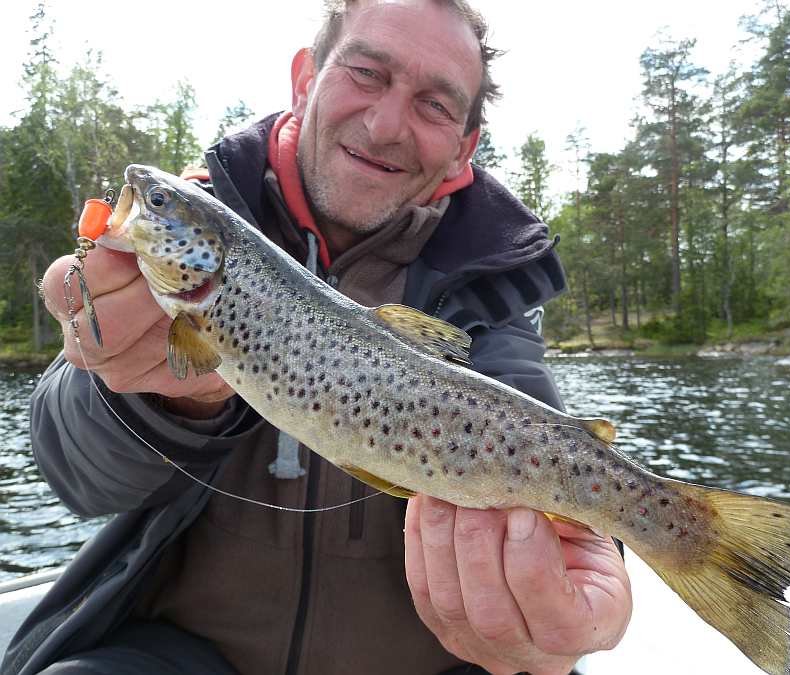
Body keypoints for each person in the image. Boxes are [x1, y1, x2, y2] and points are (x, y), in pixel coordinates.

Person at [3, 1, 632, 674]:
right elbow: (74, 473)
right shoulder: (214, 209)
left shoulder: (495, 279)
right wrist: (156, 393)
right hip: (180, 650)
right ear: (305, 80)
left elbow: (539, 429)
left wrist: (593, 564)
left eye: (435, 105)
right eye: (367, 73)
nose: (387, 124)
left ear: (463, 146)